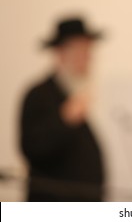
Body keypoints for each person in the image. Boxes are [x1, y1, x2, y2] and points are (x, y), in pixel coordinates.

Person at [19, 17, 105, 201]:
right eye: (82, 50)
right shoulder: (39, 95)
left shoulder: (71, 95)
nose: (88, 57)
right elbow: (33, 148)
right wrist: (65, 119)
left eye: (89, 50)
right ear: (61, 53)